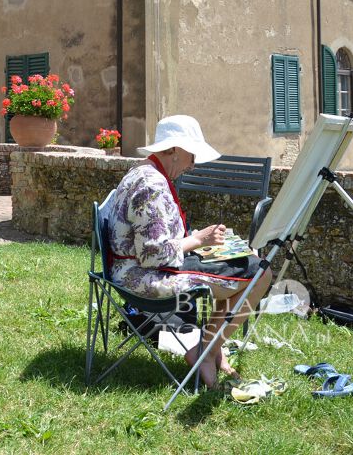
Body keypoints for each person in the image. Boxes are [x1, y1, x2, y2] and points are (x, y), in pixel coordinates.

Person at [107, 115, 271, 388]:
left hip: (135, 270)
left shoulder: (144, 172)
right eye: (191, 155)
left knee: (247, 263)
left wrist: (200, 241)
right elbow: (153, 255)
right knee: (260, 273)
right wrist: (198, 240)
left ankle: (211, 348)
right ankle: (205, 352)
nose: (193, 164)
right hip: (144, 278)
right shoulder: (151, 185)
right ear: (173, 149)